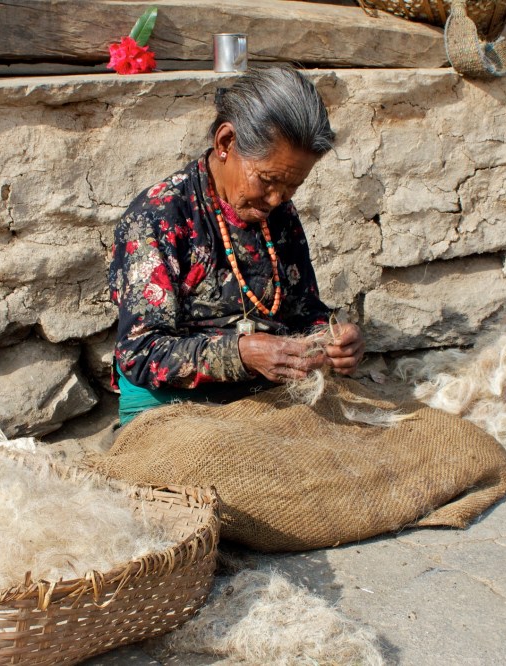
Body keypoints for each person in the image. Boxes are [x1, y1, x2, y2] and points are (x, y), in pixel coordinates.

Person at [109, 66, 364, 425]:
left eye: (292, 186)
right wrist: (240, 354)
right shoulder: (157, 217)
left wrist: (334, 337)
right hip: (176, 408)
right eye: (268, 180)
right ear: (226, 143)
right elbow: (140, 352)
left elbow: (302, 310)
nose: (277, 199)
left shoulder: (278, 214)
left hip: (264, 395)